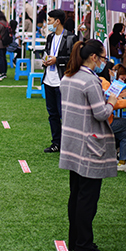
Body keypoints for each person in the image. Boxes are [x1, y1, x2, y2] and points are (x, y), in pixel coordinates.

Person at [58, 39, 118, 251]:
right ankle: (84, 244)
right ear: (94, 57)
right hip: (90, 145)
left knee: (76, 194)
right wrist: (112, 101)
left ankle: (76, 240)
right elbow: (101, 114)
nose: (104, 62)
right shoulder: (90, 81)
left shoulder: (68, 76)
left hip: (73, 141)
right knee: (87, 199)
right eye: (103, 58)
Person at [41, 9, 74, 154]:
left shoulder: (71, 38)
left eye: (49, 20)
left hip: (62, 81)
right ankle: (56, 142)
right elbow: (47, 52)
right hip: (48, 80)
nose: (48, 23)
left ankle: (68, 144)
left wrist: (58, 60)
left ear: (57, 21)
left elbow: (73, 59)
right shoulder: (50, 37)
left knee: (64, 114)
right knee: (52, 114)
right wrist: (45, 60)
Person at [102, 64, 126, 166]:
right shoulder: (105, 83)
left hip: (105, 120)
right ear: (110, 71)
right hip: (105, 121)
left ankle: (125, 160)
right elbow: (111, 102)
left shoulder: (101, 81)